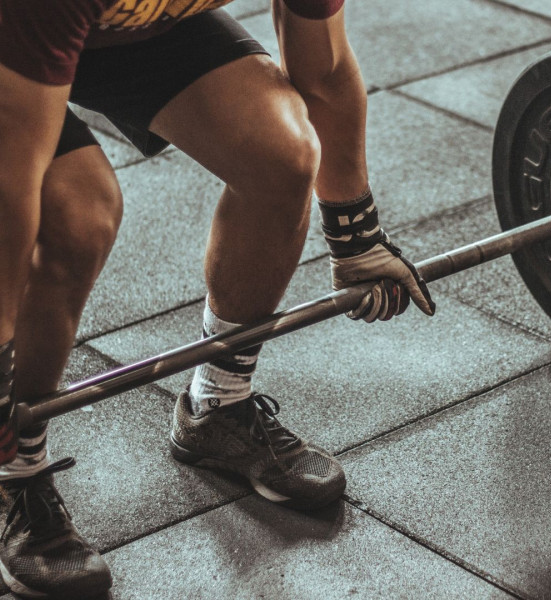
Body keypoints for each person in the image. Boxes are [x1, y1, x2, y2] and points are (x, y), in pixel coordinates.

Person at [0, 1, 435, 598]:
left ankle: (218, 407)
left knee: (280, 154)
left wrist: (355, 233)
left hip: (125, 28)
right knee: (77, 214)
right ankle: (12, 469)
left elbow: (324, 70)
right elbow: (9, 189)